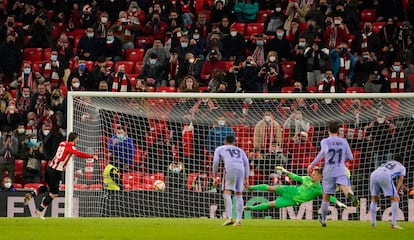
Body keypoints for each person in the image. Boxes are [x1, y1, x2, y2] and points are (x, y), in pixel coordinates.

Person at [23, 132, 98, 219]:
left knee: (48, 187)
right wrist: (92, 156)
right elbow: (78, 154)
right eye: (77, 139)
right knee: (54, 193)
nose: (77, 140)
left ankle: (31, 195)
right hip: (56, 171)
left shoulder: (62, 143)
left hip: (49, 167)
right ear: (75, 139)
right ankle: (39, 211)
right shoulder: (71, 147)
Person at [307, 121, 359, 227]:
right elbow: (351, 157)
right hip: (340, 169)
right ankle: (351, 195)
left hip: (329, 170)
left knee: (326, 196)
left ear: (328, 130)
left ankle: (324, 219)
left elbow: (323, 152)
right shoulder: (344, 141)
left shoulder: (325, 141)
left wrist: (312, 164)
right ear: (338, 131)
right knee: (345, 187)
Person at [244, 166, 347, 210]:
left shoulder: (319, 189)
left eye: (314, 175)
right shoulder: (306, 178)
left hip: (291, 200)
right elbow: (295, 177)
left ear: (320, 177)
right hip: (290, 190)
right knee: (271, 188)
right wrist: (284, 171)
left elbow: (329, 197)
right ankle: (250, 188)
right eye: (312, 173)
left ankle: (250, 208)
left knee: (271, 204)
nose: (312, 175)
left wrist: (338, 202)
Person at [212, 135, 249, 226]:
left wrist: (215, 175)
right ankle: (239, 220)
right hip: (241, 169)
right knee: (239, 194)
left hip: (230, 168)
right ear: (234, 142)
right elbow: (246, 163)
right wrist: (246, 177)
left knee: (226, 192)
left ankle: (229, 218)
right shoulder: (240, 150)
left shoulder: (220, 148)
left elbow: (216, 162)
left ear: (225, 141)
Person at [369, 157, 406, 229]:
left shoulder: (386, 163)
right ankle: (393, 224)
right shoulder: (402, 167)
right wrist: (397, 191)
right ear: (401, 162)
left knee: (374, 199)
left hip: (374, 174)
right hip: (385, 175)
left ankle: (373, 224)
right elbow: (401, 178)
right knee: (395, 199)